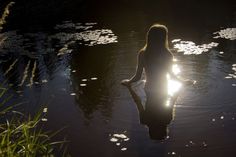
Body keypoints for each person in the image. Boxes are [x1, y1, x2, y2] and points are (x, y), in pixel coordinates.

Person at [121, 24, 194, 140]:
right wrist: (184, 82)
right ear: (164, 38)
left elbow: (138, 82)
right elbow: (172, 91)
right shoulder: (167, 55)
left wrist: (128, 83)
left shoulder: (143, 54)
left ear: (149, 37)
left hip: (149, 89)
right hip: (163, 89)